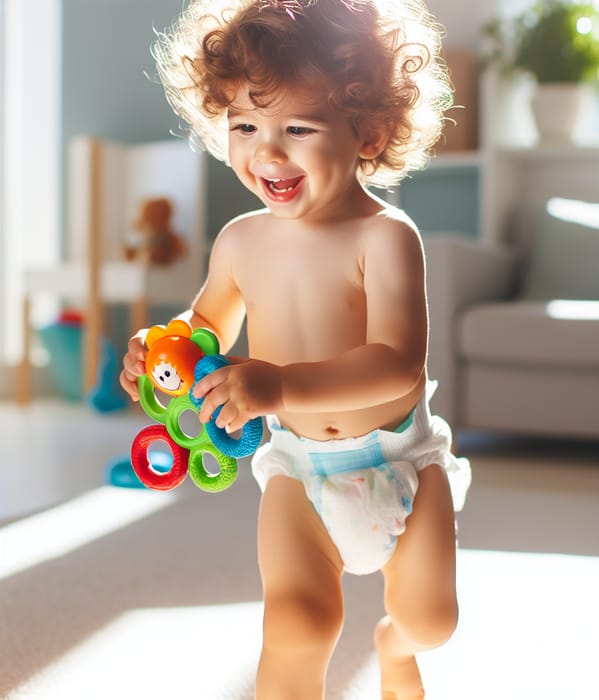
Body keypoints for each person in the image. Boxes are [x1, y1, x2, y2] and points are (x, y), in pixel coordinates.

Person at [120, 1, 470, 697]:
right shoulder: (241, 240)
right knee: (297, 624)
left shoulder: (387, 237)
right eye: (244, 125)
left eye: (298, 129)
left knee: (430, 619)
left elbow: (397, 361)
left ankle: (394, 650)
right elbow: (206, 326)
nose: (266, 152)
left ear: (367, 130)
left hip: (402, 456)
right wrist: (163, 350)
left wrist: (277, 386)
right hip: (300, 472)